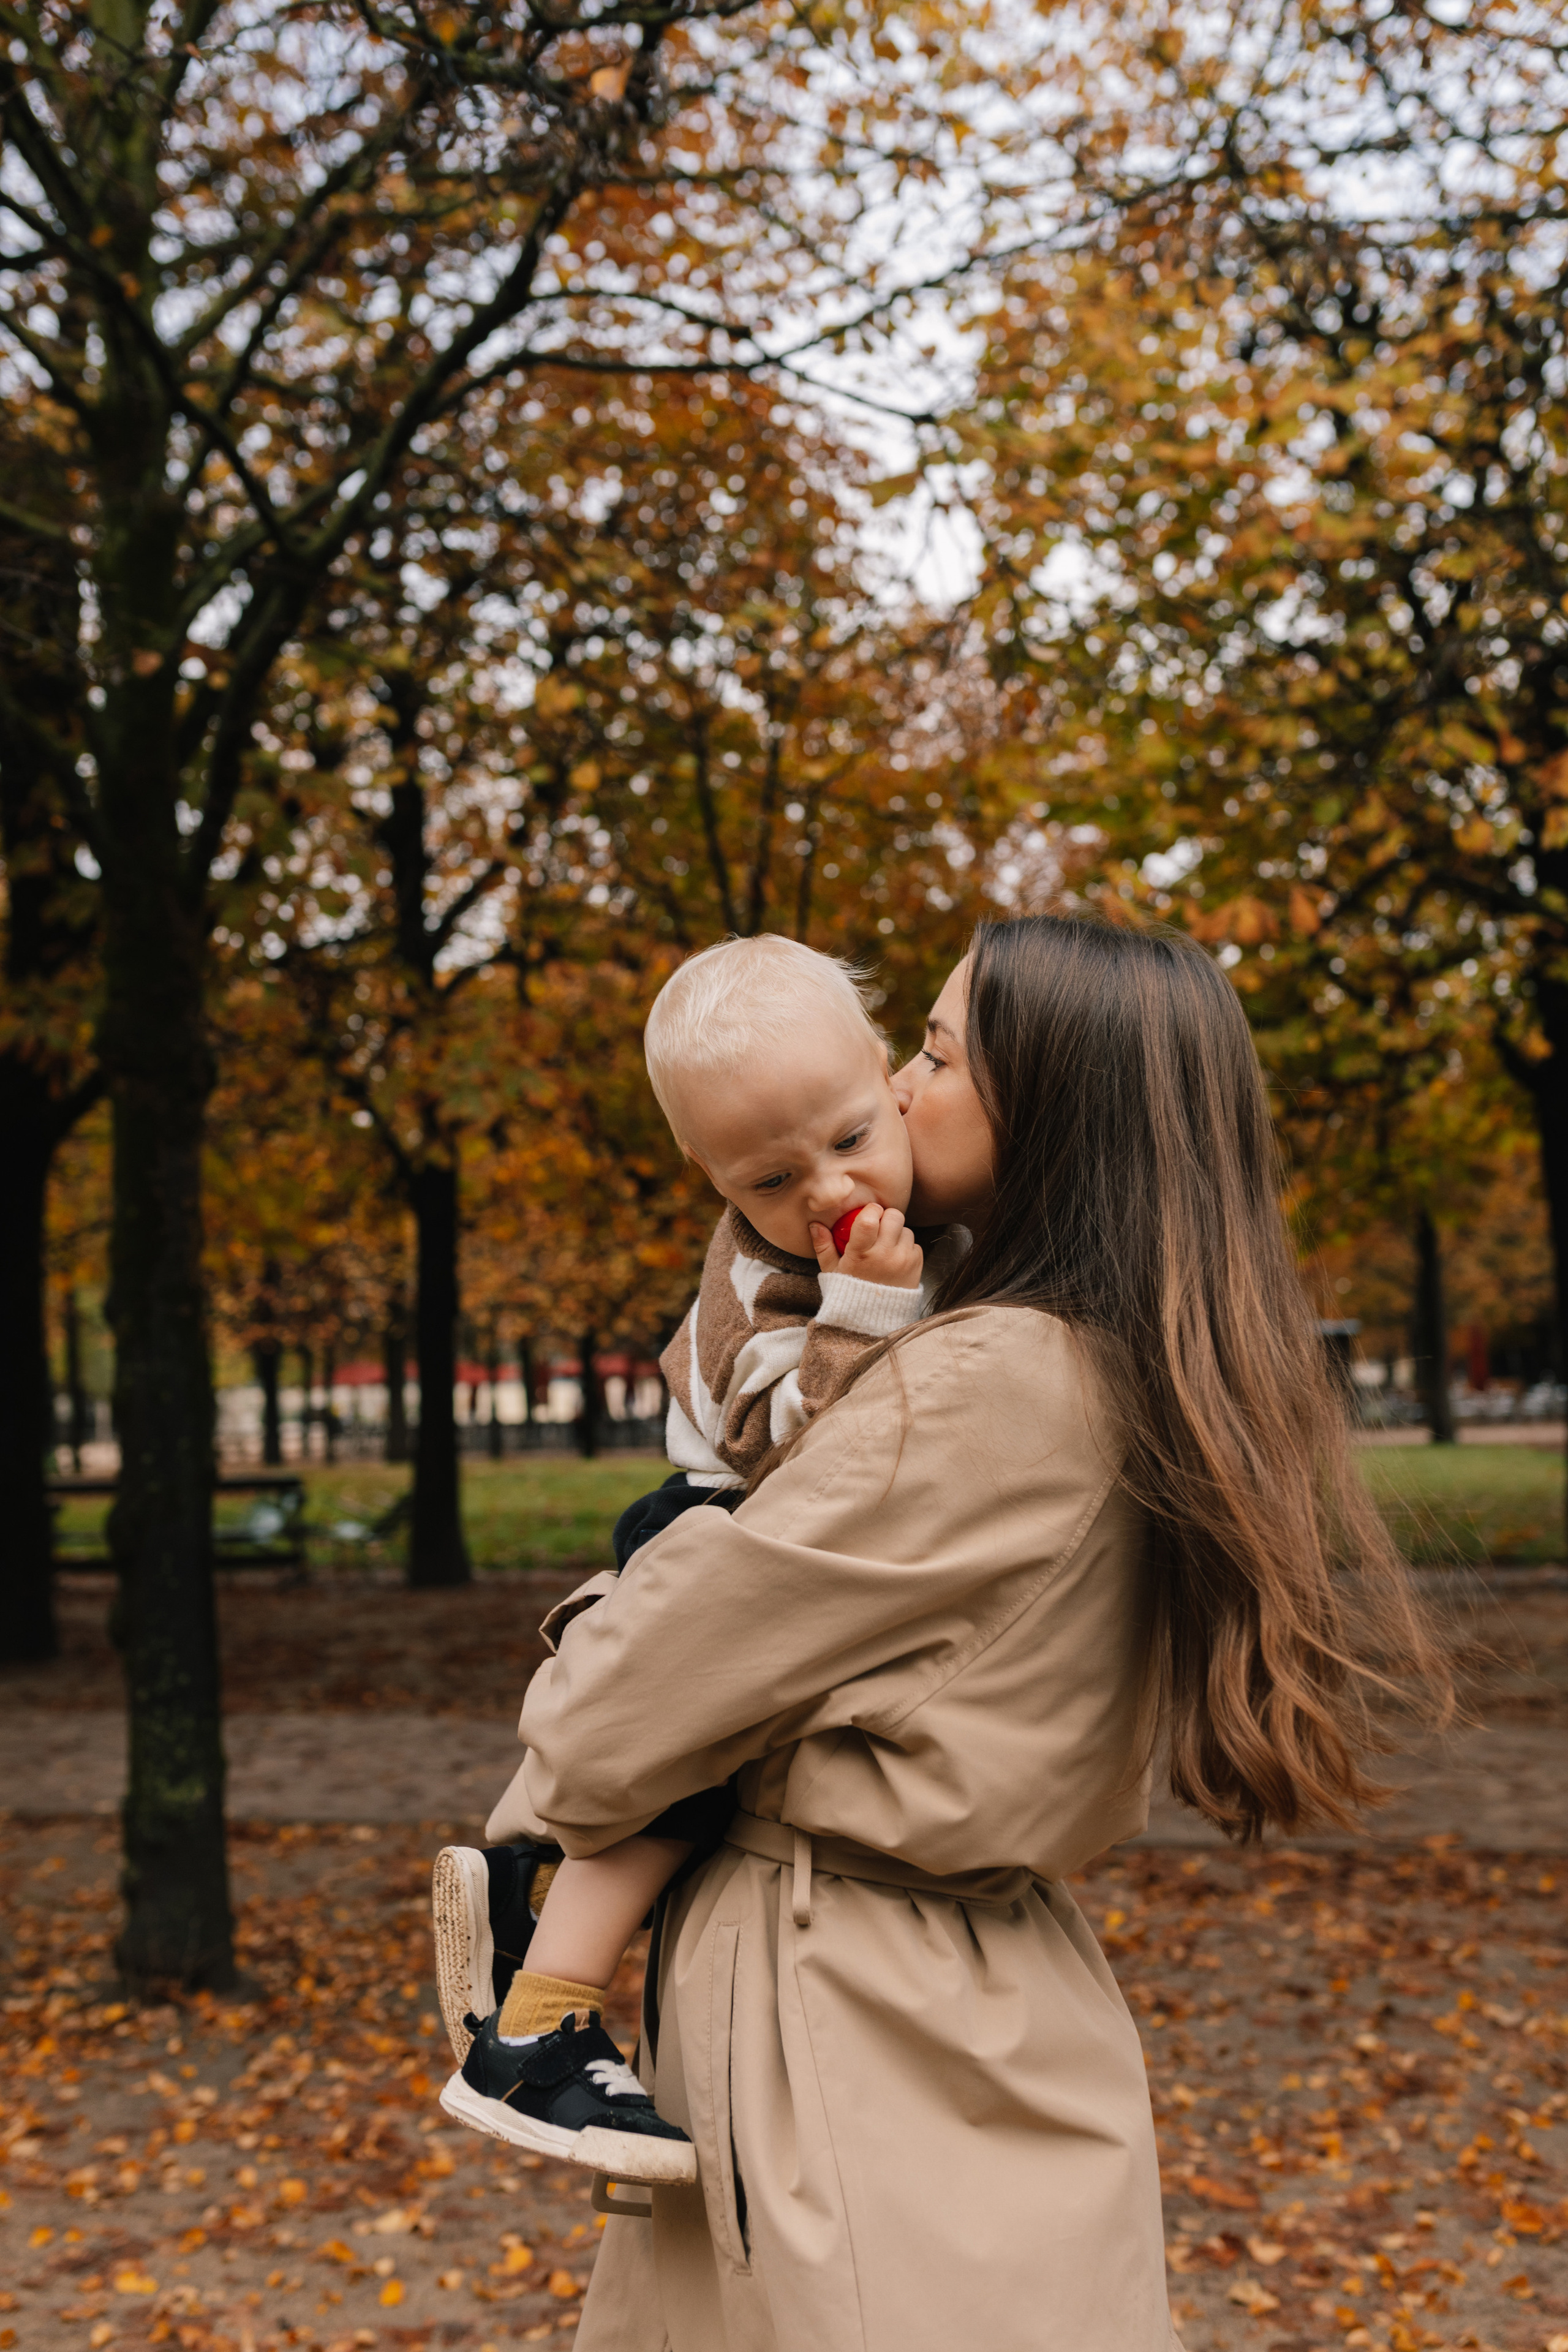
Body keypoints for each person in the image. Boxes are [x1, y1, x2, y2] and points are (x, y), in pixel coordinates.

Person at [456, 916, 1446, 2351]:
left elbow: (600, 1726)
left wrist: (624, 1597)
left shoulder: (985, 1380)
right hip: (971, 1998)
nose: (899, 1092)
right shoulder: (1109, 1355)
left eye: (928, 1054)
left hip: (848, 2016)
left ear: (1045, 1102)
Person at [431, 935, 963, 2183]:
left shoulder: (923, 1203)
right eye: (770, 1179)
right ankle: (538, 2022)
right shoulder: (763, 1283)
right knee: (685, 1777)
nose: (827, 1188)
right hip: (715, 1514)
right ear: (712, 1177)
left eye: (849, 1137)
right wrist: (867, 1311)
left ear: (890, 1077)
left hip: (794, 1533)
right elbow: (787, 1445)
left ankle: (523, 1884)